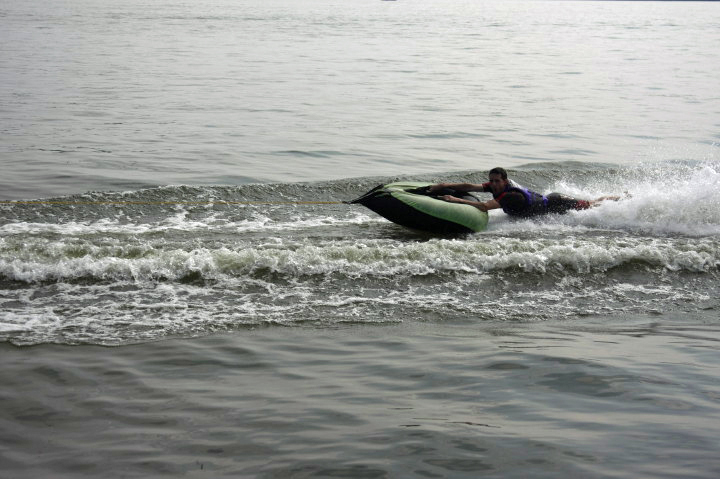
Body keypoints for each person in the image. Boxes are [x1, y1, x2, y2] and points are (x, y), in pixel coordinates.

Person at [428, 167, 619, 218]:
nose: (493, 185)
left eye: (496, 181)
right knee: (590, 203)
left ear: (504, 181)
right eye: (491, 181)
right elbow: (468, 186)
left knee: (592, 205)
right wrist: (443, 184)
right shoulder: (496, 187)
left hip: (556, 203)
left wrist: (454, 199)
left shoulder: (510, 195)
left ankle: (619, 198)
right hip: (548, 201)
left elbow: (485, 207)